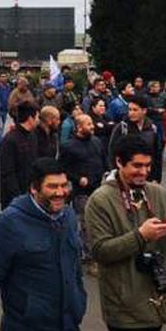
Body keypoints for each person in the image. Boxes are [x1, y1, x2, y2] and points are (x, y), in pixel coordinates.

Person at [86, 135, 166, 331]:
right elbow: (100, 251)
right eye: (137, 165)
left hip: (157, 298)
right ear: (118, 162)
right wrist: (140, 236)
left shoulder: (157, 193)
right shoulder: (100, 200)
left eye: (148, 165)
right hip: (125, 305)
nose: (143, 172)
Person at [0, 158, 86, 331]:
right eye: (52, 187)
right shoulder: (9, 222)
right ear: (34, 188)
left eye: (64, 185)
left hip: (69, 328)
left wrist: (79, 301)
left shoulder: (69, 217)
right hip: (27, 330)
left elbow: (75, 268)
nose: (60, 193)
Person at [59, 113, 106, 271]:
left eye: (92, 124)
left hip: (98, 189)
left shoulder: (97, 142)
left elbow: (103, 160)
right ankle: (91, 259)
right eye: (88, 124)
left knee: (98, 223)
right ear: (79, 127)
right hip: (81, 192)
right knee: (87, 224)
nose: (92, 127)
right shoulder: (68, 146)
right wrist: (78, 178)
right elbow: (62, 168)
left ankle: (84, 251)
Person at [0, 102, 40, 210]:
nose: (38, 120)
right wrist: (18, 197)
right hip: (13, 199)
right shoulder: (10, 140)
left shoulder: (32, 136)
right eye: (37, 117)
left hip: (30, 194)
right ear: (30, 118)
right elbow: (7, 173)